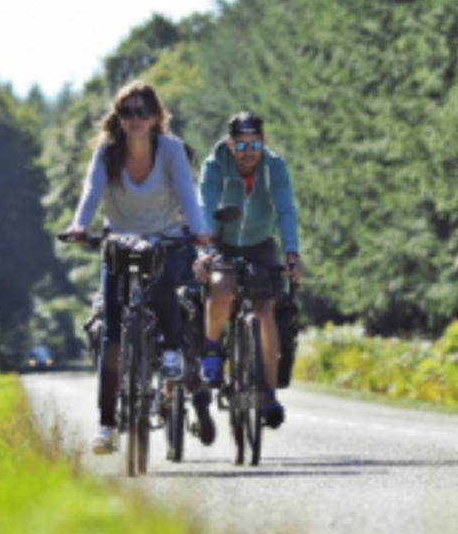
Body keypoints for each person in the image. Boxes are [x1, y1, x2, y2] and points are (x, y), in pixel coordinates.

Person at [65, 81, 211, 454]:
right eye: (127, 112)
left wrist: (199, 231)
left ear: (156, 117)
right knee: (112, 338)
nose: (135, 119)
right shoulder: (107, 153)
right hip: (121, 241)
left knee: (164, 286)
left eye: (142, 112)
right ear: (118, 118)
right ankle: (107, 426)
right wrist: (80, 225)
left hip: (165, 237)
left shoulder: (172, 150)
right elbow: (91, 190)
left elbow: (187, 194)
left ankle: (172, 350)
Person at [194, 110, 305, 430]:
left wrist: (292, 254)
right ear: (230, 145)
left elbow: (286, 210)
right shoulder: (215, 165)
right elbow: (204, 207)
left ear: (263, 142)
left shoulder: (275, 167)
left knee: (266, 308)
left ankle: (269, 395)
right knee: (222, 287)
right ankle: (213, 349)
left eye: (253, 145)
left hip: (260, 243)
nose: (248, 153)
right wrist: (204, 252)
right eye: (240, 146)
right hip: (222, 242)